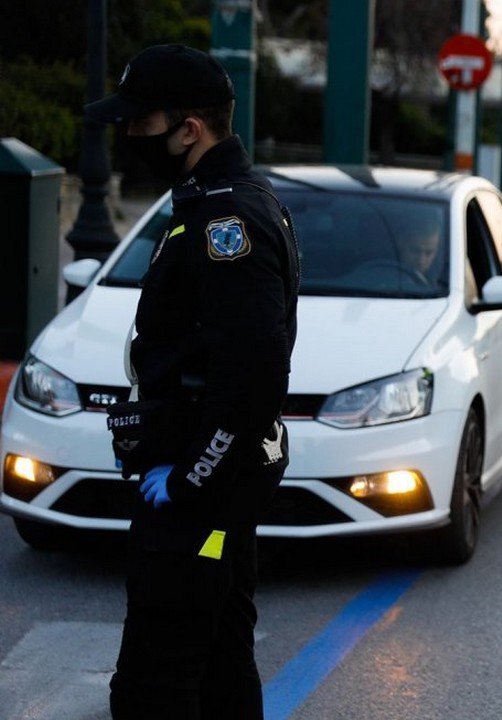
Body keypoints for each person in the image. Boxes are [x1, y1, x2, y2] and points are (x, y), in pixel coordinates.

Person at [86, 44, 300, 719]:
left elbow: (253, 372)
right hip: (208, 483)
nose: (128, 137)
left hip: (200, 492)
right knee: (218, 663)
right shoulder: (209, 201)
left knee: (154, 685)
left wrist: (189, 480)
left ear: (190, 128)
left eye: (139, 123)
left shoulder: (225, 220)